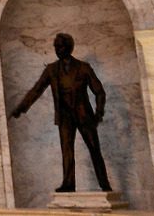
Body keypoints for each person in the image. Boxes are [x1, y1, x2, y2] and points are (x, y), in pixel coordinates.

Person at [10, 32, 113, 193]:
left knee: (94, 149)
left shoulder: (83, 67)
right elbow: (36, 90)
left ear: (69, 47)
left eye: (60, 46)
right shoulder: (51, 69)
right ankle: (68, 184)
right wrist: (21, 108)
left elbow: (99, 91)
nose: (57, 49)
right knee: (66, 151)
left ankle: (104, 184)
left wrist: (99, 113)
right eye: (55, 46)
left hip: (85, 115)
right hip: (65, 116)